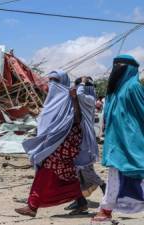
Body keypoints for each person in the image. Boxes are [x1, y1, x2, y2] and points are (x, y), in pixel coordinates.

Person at [15, 70, 97, 217]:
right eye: (50, 80)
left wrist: (73, 101)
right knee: (65, 174)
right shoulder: (53, 99)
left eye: (55, 80)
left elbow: (78, 119)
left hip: (65, 142)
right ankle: (80, 200)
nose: (52, 83)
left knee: (46, 170)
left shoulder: (71, 96)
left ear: (63, 82)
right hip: (55, 143)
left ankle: (32, 206)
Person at [92, 55, 144, 222]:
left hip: (132, 140)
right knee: (115, 173)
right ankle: (105, 209)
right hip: (116, 140)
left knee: (136, 172)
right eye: (116, 65)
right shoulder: (113, 90)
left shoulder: (133, 86)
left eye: (121, 66)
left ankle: (106, 209)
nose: (117, 68)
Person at [64, 77, 105, 215]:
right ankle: (80, 200)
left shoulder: (88, 98)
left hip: (84, 139)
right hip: (80, 137)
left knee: (83, 169)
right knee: (77, 171)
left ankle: (103, 192)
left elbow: (80, 94)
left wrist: (81, 83)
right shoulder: (83, 99)